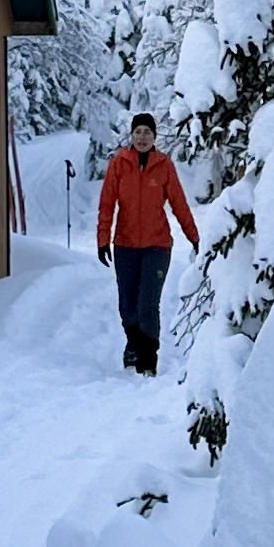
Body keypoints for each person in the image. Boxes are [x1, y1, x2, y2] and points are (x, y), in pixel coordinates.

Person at [94, 110, 197, 376]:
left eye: (147, 132)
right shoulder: (119, 163)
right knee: (127, 304)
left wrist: (194, 237)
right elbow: (107, 204)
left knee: (147, 303)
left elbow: (179, 204)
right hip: (126, 246)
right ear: (132, 134)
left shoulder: (164, 165)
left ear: (154, 136)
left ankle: (148, 354)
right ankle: (133, 343)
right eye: (138, 132)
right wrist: (103, 240)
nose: (142, 137)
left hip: (157, 246)